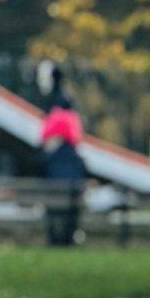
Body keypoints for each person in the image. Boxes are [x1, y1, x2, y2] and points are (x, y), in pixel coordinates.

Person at [38, 92, 89, 247]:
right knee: (72, 204)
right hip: (71, 195)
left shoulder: (50, 156)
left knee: (53, 205)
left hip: (54, 193)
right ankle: (68, 239)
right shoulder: (75, 157)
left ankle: (54, 239)